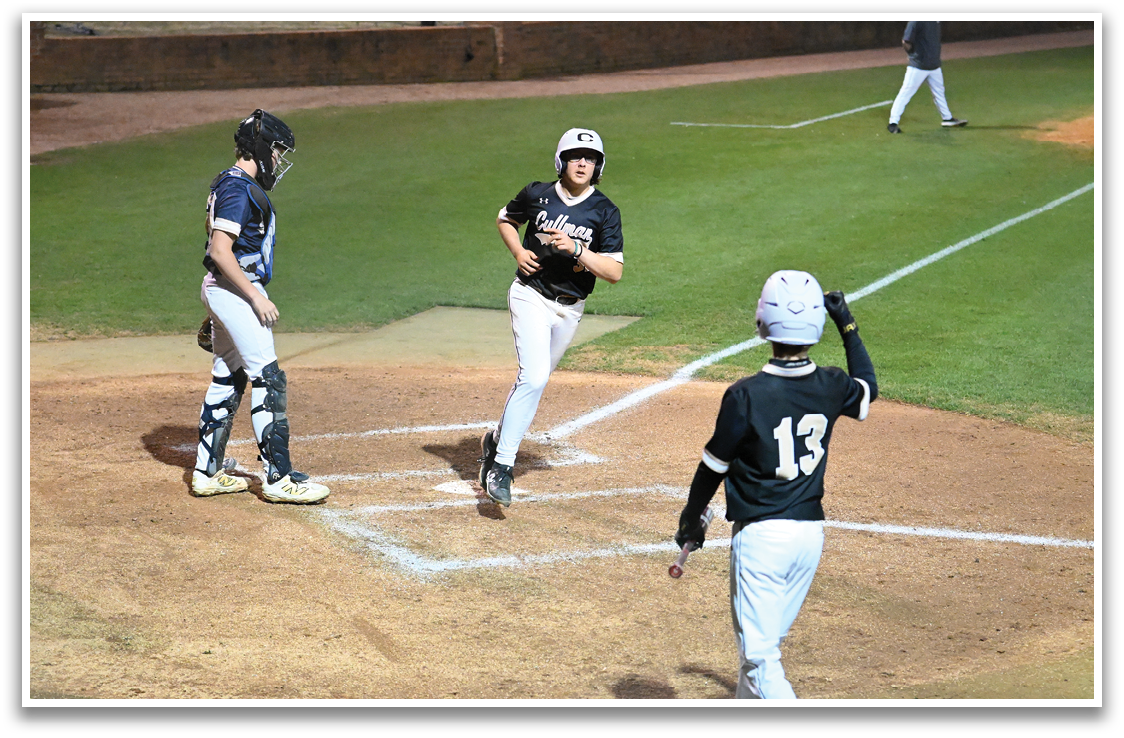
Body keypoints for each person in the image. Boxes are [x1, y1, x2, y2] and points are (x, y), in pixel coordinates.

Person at [673, 270, 877, 699]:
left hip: (762, 539)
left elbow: (713, 467)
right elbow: (868, 389)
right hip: (808, 537)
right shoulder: (831, 385)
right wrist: (848, 324)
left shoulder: (745, 395)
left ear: (762, 321)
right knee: (759, 654)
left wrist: (691, 518)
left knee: (760, 657)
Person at [477, 128, 624, 507]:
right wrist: (517, 252)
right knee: (534, 376)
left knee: (536, 380)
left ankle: (496, 439)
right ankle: (500, 467)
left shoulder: (605, 211)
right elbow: (505, 218)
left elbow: (613, 271)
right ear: (561, 161)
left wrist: (576, 249)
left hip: (570, 308)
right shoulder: (537, 194)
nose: (582, 163)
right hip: (530, 295)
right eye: (575, 156)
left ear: (598, 166)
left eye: (590, 158)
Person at [191, 109, 331, 504]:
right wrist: (252, 297)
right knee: (268, 378)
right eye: (276, 152)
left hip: (224, 290)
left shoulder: (229, 181)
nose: (277, 161)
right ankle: (278, 477)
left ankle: (206, 472)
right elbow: (220, 249)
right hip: (236, 291)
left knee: (228, 375)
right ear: (260, 148)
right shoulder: (238, 188)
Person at [887, 21, 968, 133]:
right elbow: (906, 41)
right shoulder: (916, 20)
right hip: (918, 66)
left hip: (934, 65)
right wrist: (912, 56)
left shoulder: (936, 20)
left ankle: (947, 118)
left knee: (939, 93)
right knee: (905, 93)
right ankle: (893, 123)